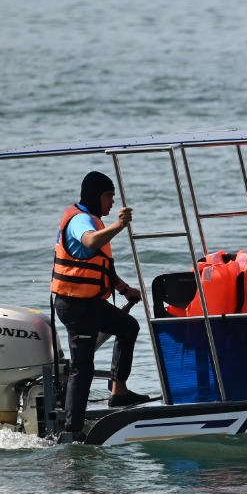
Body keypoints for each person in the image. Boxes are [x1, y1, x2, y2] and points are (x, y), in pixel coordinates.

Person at [51, 171, 148, 442]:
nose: (111, 202)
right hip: (74, 304)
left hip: (90, 302)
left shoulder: (92, 219)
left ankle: (119, 392)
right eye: (108, 196)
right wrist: (119, 225)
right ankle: (72, 431)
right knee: (83, 367)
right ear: (95, 196)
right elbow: (90, 241)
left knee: (128, 327)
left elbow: (101, 266)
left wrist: (123, 289)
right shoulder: (81, 220)